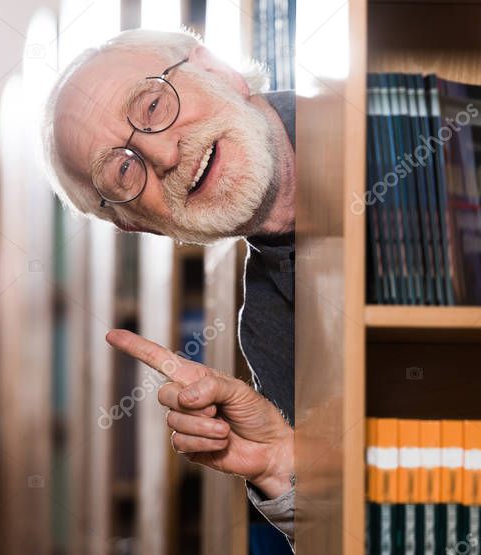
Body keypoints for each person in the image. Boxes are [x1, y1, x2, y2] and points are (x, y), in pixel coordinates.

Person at [41, 29, 297, 543]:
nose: (164, 154)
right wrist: (286, 463)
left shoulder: (401, 118)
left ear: (217, 68)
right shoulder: (269, 333)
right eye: (123, 170)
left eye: (154, 105)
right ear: (140, 225)